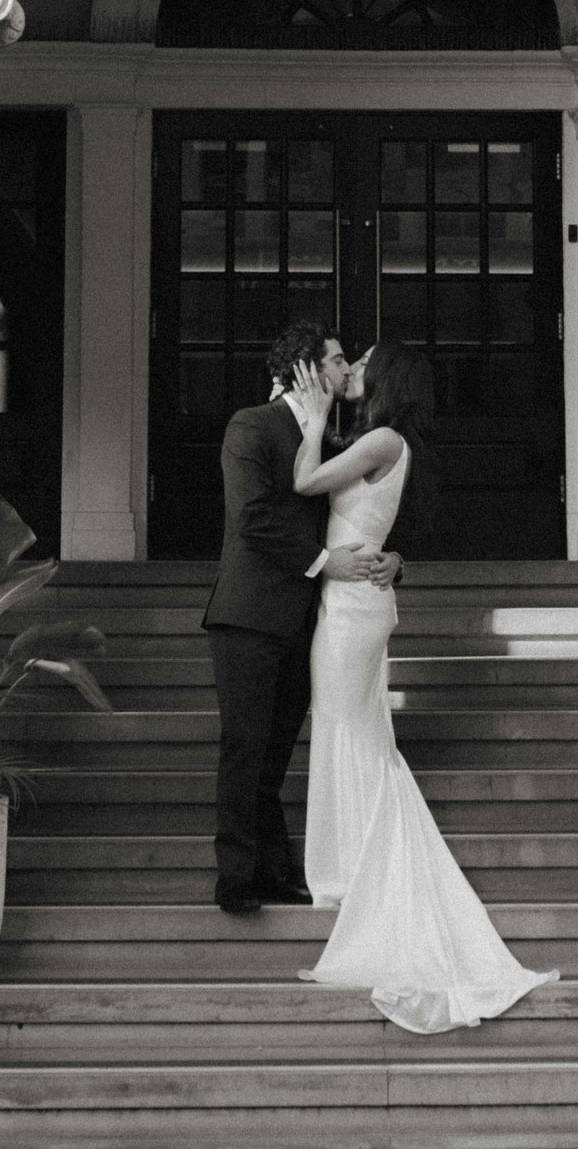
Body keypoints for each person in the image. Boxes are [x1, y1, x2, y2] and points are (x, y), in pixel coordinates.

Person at [281, 339, 557, 1034]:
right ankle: (349, 867)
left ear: (386, 379)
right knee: (357, 731)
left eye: (366, 361)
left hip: (351, 611)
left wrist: (311, 424)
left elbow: (305, 484)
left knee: (350, 733)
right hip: (359, 602)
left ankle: (356, 873)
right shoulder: (388, 442)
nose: (358, 369)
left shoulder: (379, 438)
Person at [202, 322, 392, 915]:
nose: (343, 372)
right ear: (308, 369)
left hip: (306, 623)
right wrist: (322, 562)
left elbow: (357, 518)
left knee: (275, 753)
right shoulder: (250, 426)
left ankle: (274, 870)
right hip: (248, 617)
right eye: (336, 361)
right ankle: (235, 878)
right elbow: (253, 518)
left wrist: (392, 561)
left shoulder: (330, 441)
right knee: (245, 748)